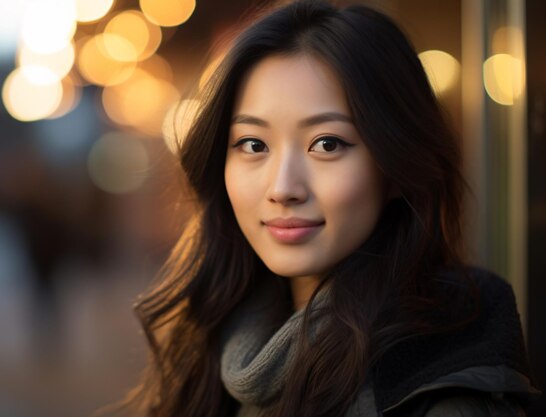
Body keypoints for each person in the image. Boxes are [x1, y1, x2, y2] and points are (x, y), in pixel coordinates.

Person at [99, 1, 540, 416]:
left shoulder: (444, 386)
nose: (283, 188)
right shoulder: (215, 345)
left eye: (327, 144)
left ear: (396, 167)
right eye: (253, 144)